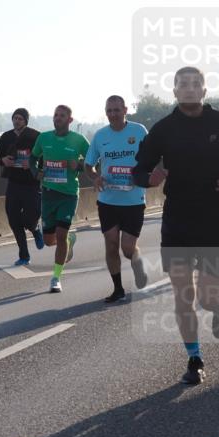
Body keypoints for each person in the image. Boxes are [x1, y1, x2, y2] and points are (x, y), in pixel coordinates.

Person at [132, 67, 219, 385]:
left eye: (195, 84)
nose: (189, 88)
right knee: (183, 296)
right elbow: (138, 171)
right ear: (174, 91)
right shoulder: (163, 129)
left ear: (204, 90)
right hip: (178, 223)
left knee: (208, 297)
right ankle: (194, 358)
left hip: (215, 221)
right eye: (182, 84)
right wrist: (150, 178)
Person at [84, 95, 151, 302]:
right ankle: (118, 288)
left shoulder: (139, 131)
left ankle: (137, 263)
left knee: (128, 248)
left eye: (116, 110)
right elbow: (89, 165)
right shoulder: (100, 136)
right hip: (108, 200)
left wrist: (154, 173)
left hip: (133, 200)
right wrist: (95, 177)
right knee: (111, 244)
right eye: (109, 111)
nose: (113, 114)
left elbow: (152, 157)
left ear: (125, 110)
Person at [30, 105, 90, 292]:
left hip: (69, 194)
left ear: (70, 120)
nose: (58, 118)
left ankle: (56, 278)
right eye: (56, 115)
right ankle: (70, 241)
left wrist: (79, 165)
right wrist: (36, 172)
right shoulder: (44, 138)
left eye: (62, 116)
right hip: (48, 193)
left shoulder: (79, 140)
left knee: (61, 234)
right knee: (49, 240)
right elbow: (32, 158)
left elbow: (93, 160)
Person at [0, 108, 43, 266]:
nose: (17, 121)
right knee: (13, 219)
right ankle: (24, 255)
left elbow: (43, 159)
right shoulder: (6, 136)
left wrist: (31, 164)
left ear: (26, 121)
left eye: (20, 118)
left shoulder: (35, 136)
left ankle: (35, 229)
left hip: (31, 184)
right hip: (13, 183)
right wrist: (4, 160)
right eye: (14, 118)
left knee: (31, 216)